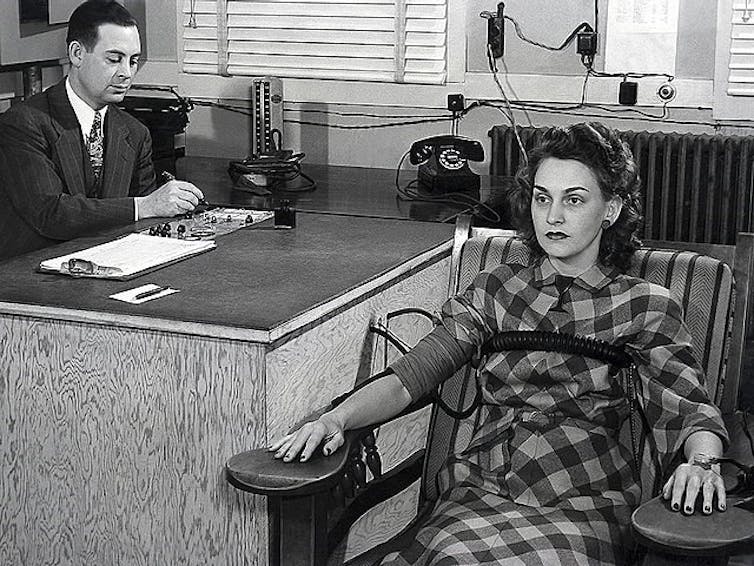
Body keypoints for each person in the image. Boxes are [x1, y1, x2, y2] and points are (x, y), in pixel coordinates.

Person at [269, 122, 730, 565]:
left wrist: (703, 464)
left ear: (609, 210)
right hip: (480, 493)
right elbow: (412, 376)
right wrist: (338, 417)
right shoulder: (496, 289)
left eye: (574, 200)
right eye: (542, 198)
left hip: (583, 503)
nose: (553, 216)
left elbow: (689, 410)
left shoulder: (645, 305)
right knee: (450, 557)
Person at [0, 0, 203, 260]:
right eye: (114, 59)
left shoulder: (134, 132)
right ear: (77, 54)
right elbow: (50, 213)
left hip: (109, 271)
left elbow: (145, 221)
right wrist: (146, 206)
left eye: (133, 61)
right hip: (28, 279)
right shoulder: (24, 123)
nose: (126, 73)